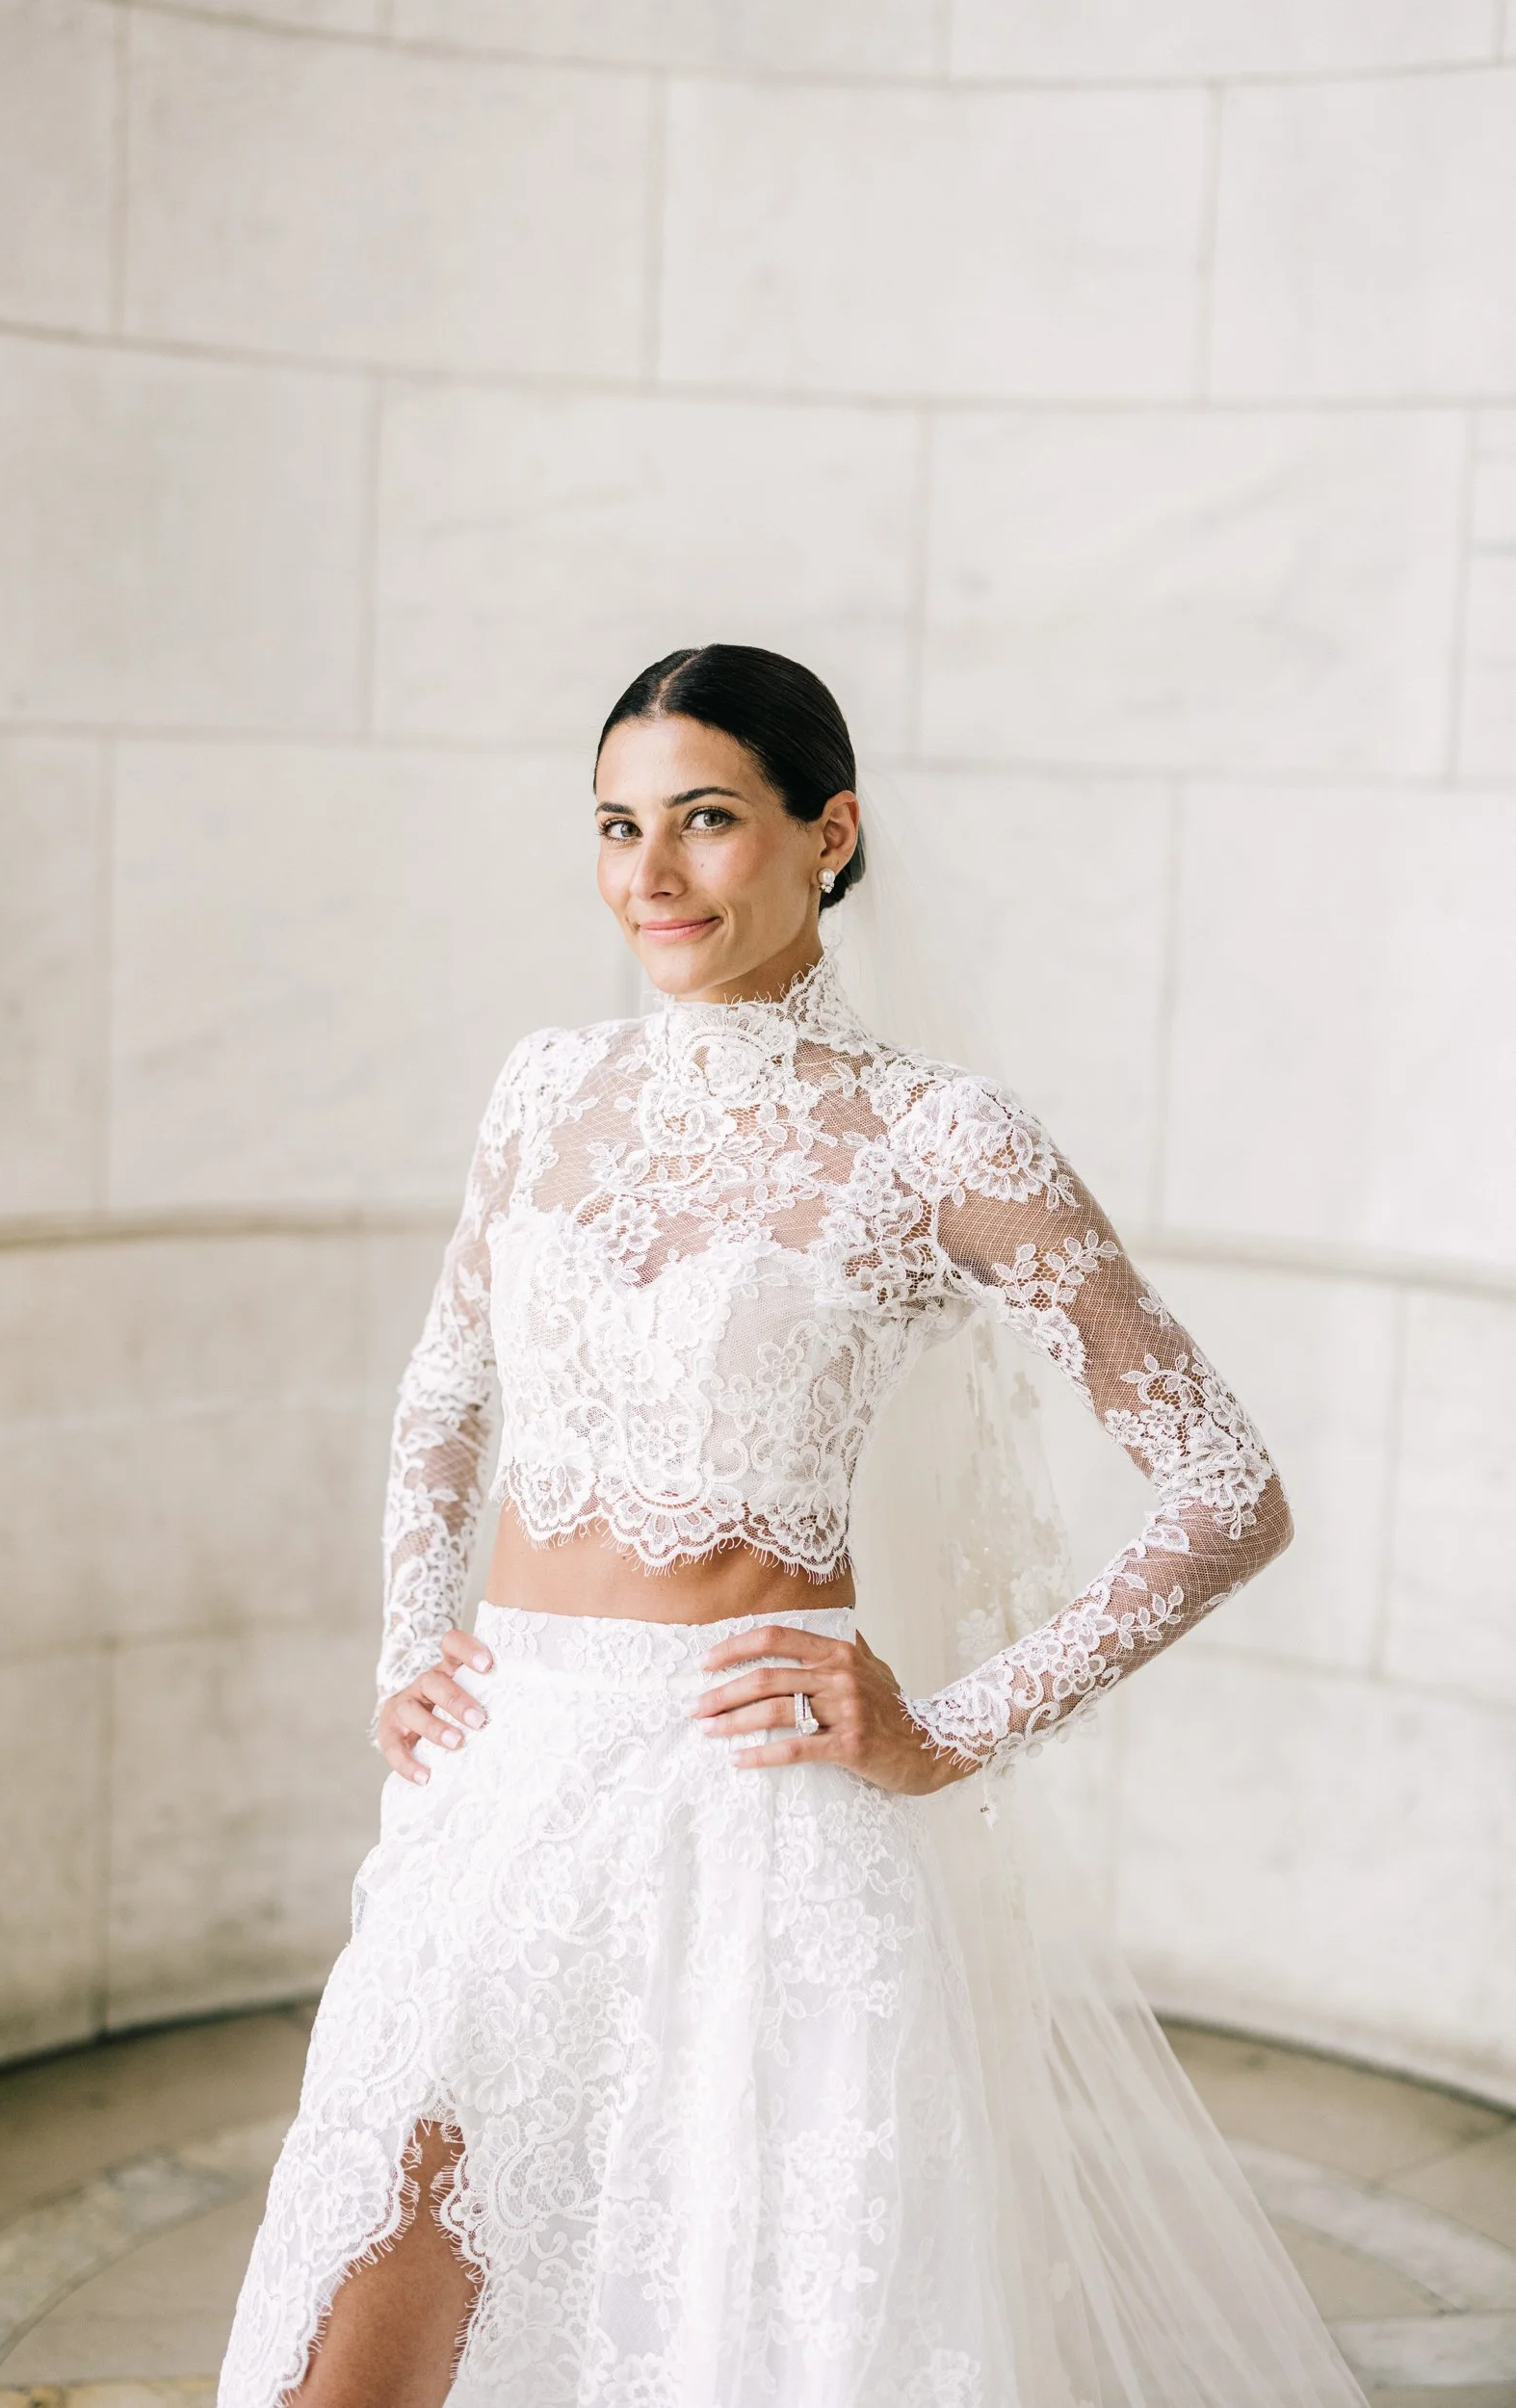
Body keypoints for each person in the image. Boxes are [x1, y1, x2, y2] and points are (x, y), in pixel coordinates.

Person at [220, 645, 1366, 2407]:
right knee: (353, 2339)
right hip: (507, 1779)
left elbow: (1227, 1491)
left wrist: (944, 1730)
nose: (649, 877)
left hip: (751, 1805)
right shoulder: (545, 1089)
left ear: (827, 833)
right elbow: (449, 1385)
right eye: (615, 828)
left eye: (704, 822)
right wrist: (408, 1647)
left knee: (724, 2335)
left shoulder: (932, 1133)